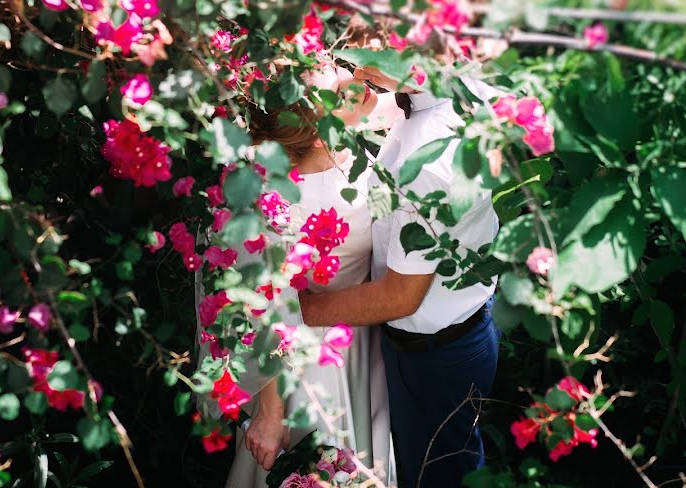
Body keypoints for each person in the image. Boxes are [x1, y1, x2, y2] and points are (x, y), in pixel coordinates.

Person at [299, 64, 501, 488]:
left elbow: (399, 297)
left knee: (435, 476)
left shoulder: (429, 157)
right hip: (435, 333)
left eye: (369, 35)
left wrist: (296, 309)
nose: (354, 61)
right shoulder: (440, 92)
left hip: (433, 357)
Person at [196, 64, 398, 487]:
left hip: (361, 346)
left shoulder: (347, 152)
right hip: (297, 366)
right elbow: (256, 303)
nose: (352, 83)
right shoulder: (266, 201)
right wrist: (271, 412)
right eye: (338, 87)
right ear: (315, 123)